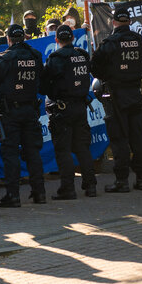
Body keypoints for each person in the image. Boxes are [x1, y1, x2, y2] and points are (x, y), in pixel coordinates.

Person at [0, 24, 46, 207]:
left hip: (10, 112)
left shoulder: (6, 58)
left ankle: (13, 195)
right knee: (33, 152)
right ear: (24, 38)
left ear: (9, 39)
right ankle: (39, 193)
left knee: (11, 154)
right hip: (30, 110)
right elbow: (43, 83)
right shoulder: (35, 56)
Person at [91, 8, 142, 192]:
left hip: (116, 95)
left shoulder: (109, 43)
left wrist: (108, 76)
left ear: (113, 22)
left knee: (119, 138)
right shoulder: (138, 40)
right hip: (135, 92)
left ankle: (122, 181)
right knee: (138, 137)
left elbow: (94, 67)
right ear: (129, 21)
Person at [41, 25, 97, 199]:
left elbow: (43, 86)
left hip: (62, 110)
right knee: (82, 148)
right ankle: (91, 186)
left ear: (56, 40)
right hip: (80, 107)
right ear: (72, 38)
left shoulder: (55, 58)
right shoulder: (82, 55)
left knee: (63, 150)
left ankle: (68, 188)